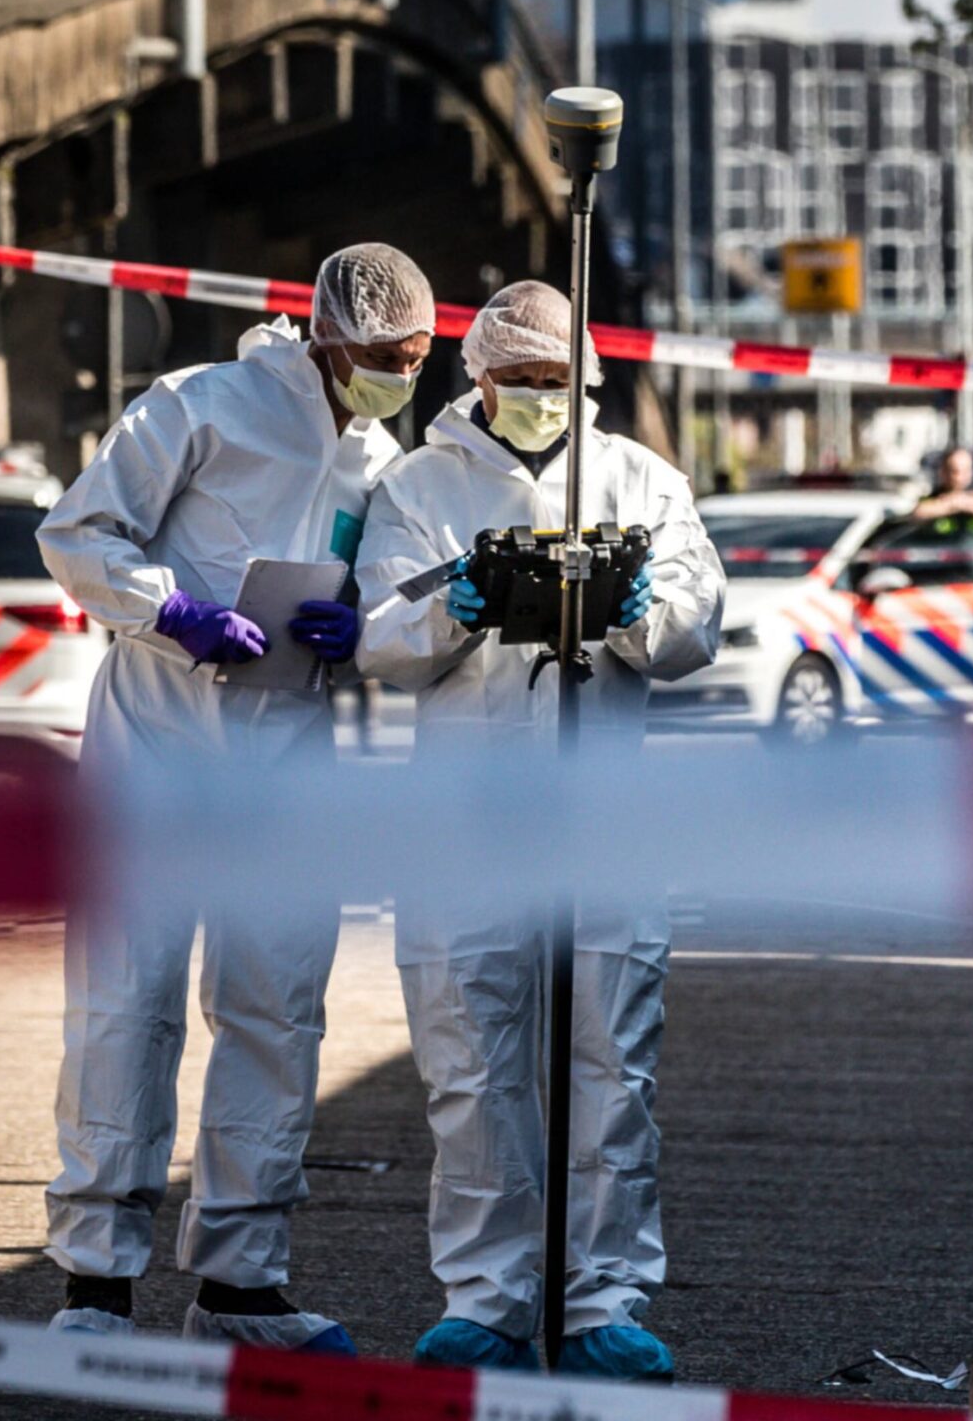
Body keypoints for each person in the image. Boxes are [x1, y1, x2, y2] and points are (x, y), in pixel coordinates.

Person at [37, 243, 437, 1353]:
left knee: (277, 1011)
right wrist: (171, 611)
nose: (398, 376)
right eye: (383, 356)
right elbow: (77, 533)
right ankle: (95, 1286)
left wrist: (358, 628)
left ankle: (242, 1286)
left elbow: (395, 597)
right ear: (327, 337)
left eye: (416, 359)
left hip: (289, 749)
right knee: (126, 1003)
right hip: (158, 738)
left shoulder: (378, 458)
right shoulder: (199, 406)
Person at [353, 280, 723, 1379]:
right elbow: (378, 640)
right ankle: (488, 1299)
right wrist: (454, 608)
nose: (535, 397)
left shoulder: (641, 481)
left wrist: (638, 610)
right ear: (476, 375)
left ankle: (604, 1301)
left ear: (586, 382)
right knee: (472, 1065)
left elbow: (696, 627)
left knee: (614, 1066)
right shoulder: (419, 486)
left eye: (553, 381)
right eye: (516, 379)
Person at [910, 444, 973, 521]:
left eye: (965, 470)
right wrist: (958, 503)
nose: (959, 477)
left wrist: (965, 500)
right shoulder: (933, 497)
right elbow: (919, 511)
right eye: (954, 471)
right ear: (943, 472)